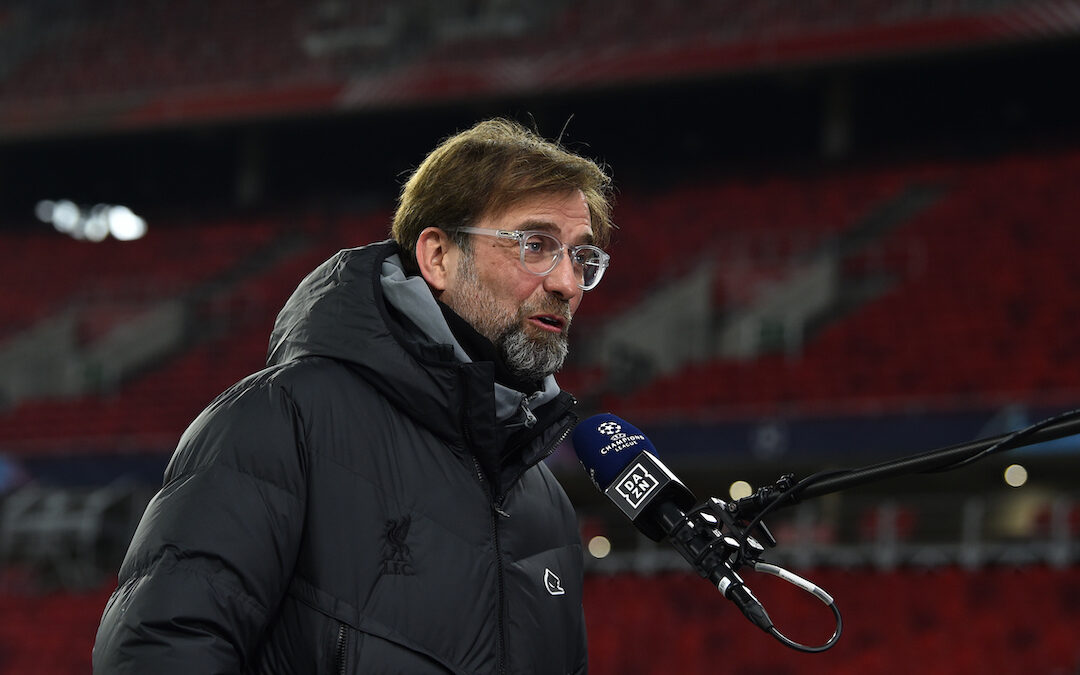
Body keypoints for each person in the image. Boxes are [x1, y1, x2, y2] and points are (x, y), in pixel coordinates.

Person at [92, 118, 615, 674]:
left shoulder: (547, 506)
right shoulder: (283, 420)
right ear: (438, 257)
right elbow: (159, 652)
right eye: (535, 245)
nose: (567, 283)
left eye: (583, 258)